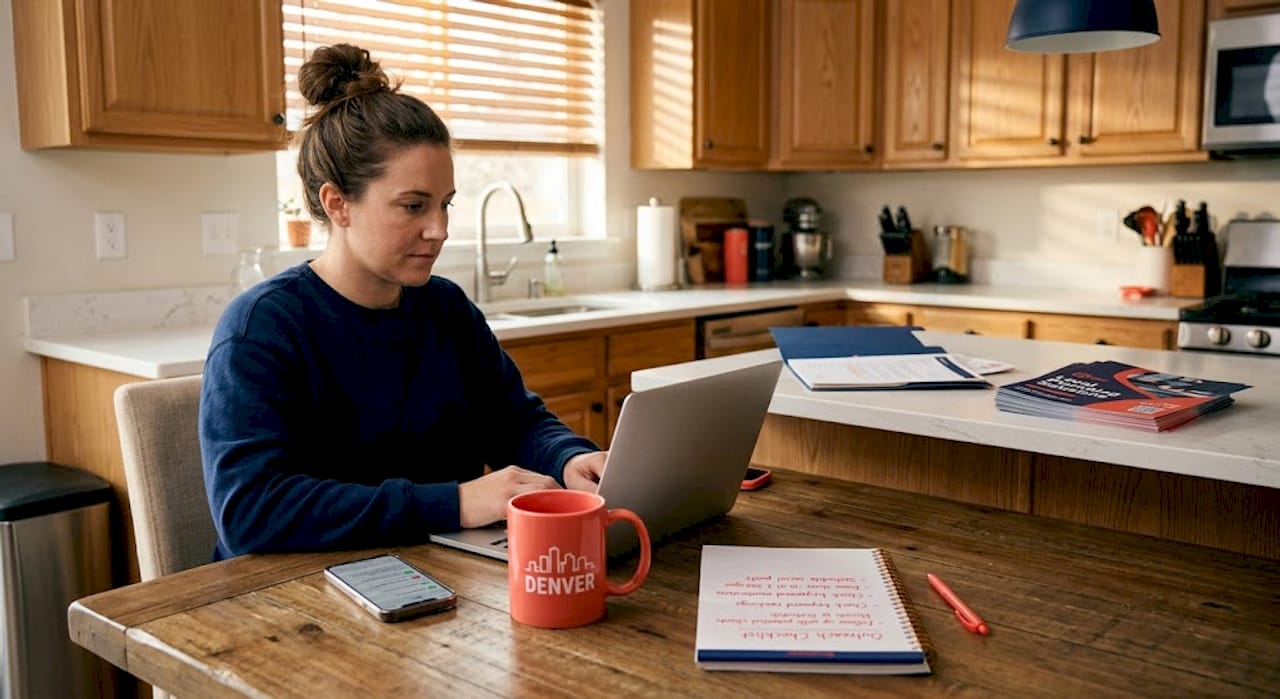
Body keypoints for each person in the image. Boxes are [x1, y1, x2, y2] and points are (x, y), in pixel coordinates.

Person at [199, 43, 606, 560]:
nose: (438, 230)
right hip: (289, 603)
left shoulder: (446, 308)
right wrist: (454, 503)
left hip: (434, 578)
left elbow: (514, 422)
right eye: (413, 206)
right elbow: (251, 514)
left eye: (444, 205)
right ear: (337, 204)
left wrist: (568, 458)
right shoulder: (263, 328)